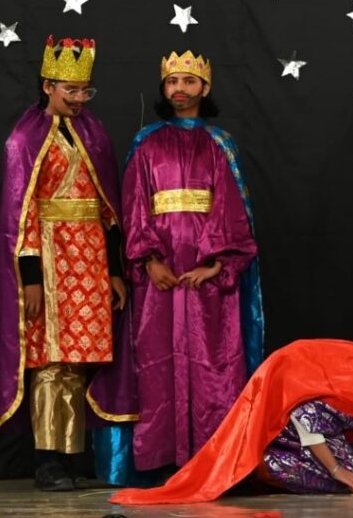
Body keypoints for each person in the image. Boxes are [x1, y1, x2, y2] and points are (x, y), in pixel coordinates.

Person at [110, 50, 263, 479]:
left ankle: (213, 460)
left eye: (189, 81)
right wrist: (148, 259)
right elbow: (134, 203)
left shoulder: (220, 144)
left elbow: (231, 210)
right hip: (159, 274)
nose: (180, 88)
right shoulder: (146, 143)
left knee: (211, 361)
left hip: (206, 273)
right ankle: (160, 460)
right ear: (164, 88)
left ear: (205, 88)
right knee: (156, 360)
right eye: (172, 81)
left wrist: (217, 265)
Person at [0, 36, 136, 492]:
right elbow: (21, 215)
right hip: (50, 256)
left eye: (84, 90)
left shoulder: (94, 134)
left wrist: (115, 270)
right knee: (50, 361)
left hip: (90, 258)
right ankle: (47, 461)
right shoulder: (24, 139)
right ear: (47, 86)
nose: (78, 99)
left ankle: (72, 457)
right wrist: (30, 278)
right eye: (69, 90)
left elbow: (109, 208)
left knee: (77, 362)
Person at [109, 339, 353, 504]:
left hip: (287, 390)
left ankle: (262, 460)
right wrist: (336, 469)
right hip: (284, 396)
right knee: (348, 478)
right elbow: (306, 413)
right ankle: (263, 462)